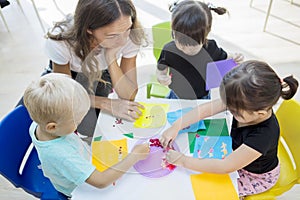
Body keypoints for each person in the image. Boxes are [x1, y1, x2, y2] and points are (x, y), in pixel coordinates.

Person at [159, 60, 299, 198]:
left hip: (256, 176)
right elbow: (204, 110)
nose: (230, 111)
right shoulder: (243, 102)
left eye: (235, 112)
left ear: (260, 113)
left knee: (211, 190)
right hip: (238, 156)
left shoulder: (263, 135)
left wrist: (183, 161)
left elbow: (225, 166)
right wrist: (176, 126)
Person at [23, 73, 150, 198]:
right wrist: (134, 156)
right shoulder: (62, 155)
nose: (80, 123)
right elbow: (101, 181)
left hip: (81, 160)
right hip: (79, 189)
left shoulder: (39, 124)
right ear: (52, 127)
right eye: (76, 121)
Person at [45, 0, 147, 138]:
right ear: (89, 29)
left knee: (101, 125)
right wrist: (108, 104)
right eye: (112, 35)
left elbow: (129, 95)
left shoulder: (129, 36)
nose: (123, 41)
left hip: (102, 72)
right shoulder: (61, 40)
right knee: (75, 122)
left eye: (127, 29)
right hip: (71, 76)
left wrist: (111, 58)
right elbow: (65, 95)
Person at [156, 0, 243, 99]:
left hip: (202, 97)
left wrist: (236, 57)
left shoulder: (211, 48)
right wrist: (161, 77)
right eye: (180, 42)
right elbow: (161, 70)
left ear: (206, 34)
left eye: (192, 44)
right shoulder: (169, 50)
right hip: (176, 96)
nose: (185, 48)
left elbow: (226, 57)